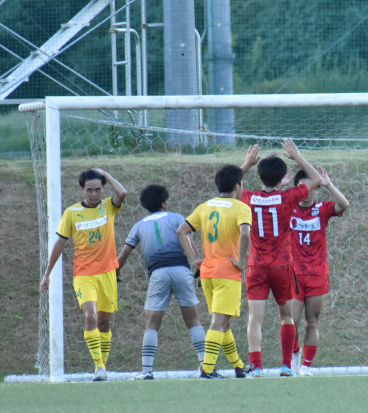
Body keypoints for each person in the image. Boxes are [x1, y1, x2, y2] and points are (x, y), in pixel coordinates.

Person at [240, 140, 321, 376]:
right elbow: (316, 180)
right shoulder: (288, 197)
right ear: (282, 177)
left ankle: (257, 368)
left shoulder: (249, 197)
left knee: (255, 319)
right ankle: (286, 366)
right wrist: (297, 157)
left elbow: (231, 185)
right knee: (287, 317)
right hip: (282, 265)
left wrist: (246, 163)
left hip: (256, 266)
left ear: (260, 176)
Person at [41, 168, 126, 382]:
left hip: (107, 273)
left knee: (104, 323)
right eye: (89, 190)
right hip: (84, 274)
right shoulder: (72, 213)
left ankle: (102, 367)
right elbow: (59, 243)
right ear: (82, 190)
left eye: (98, 189)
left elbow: (122, 193)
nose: (94, 194)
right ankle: (99, 367)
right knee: (90, 317)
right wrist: (47, 273)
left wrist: (105, 173)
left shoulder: (108, 207)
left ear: (103, 189)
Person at [117, 184, 207, 379]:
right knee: (193, 320)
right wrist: (198, 265)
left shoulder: (139, 225)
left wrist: (116, 272)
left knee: (152, 323)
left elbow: (124, 254)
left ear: (144, 205)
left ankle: (147, 371)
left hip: (158, 274)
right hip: (181, 270)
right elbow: (189, 243)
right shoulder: (176, 218)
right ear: (165, 203)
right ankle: (205, 367)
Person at [177, 164, 253, 378]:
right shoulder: (241, 208)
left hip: (208, 273)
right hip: (227, 272)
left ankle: (238, 366)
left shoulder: (205, 206)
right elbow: (245, 234)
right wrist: (242, 261)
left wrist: (194, 259)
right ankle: (207, 370)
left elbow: (182, 231)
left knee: (224, 322)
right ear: (237, 186)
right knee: (219, 322)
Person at [288, 166, 349, 376]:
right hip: (293, 274)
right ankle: (295, 355)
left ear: (315, 189)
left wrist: (329, 184)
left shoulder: (322, 209)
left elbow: (344, 205)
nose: (305, 191)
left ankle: (306, 367)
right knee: (291, 322)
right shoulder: (288, 208)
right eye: (300, 187)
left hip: (317, 274)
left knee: (311, 321)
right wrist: (282, 187)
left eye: (309, 187)